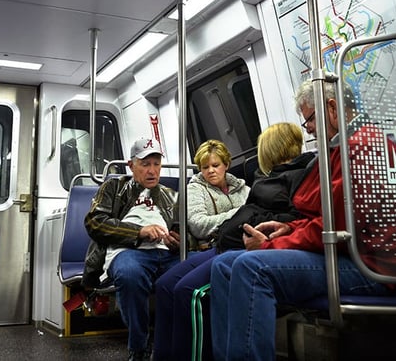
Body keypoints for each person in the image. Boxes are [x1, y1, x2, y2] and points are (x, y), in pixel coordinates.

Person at [209, 79, 396, 361]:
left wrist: (272, 246)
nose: (308, 129)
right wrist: (288, 228)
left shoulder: (364, 148)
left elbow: (338, 228)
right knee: (222, 265)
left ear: (331, 108)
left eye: (309, 119)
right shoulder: (339, 150)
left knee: (251, 266)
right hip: (344, 250)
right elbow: (323, 216)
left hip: (369, 265)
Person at [152, 125, 307, 361]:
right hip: (219, 242)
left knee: (188, 292)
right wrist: (236, 216)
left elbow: (285, 217)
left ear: (226, 165)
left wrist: (238, 216)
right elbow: (198, 224)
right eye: (206, 167)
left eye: (216, 165)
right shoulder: (200, 188)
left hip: (237, 245)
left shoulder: (254, 185)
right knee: (164, 284)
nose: (211, 171)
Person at [83, 137, 181, 361]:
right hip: (128, 252)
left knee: (204, 266)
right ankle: (139, 347)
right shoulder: (114, 187)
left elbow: (182, 232)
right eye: (145, 164)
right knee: (130, 274)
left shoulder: (170, 195)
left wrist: (179, 242)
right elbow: (95, 223)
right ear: (131, 165)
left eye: (156, 164)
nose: (152, 171)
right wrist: (138, 232)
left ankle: (184, 343)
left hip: (167, 254)